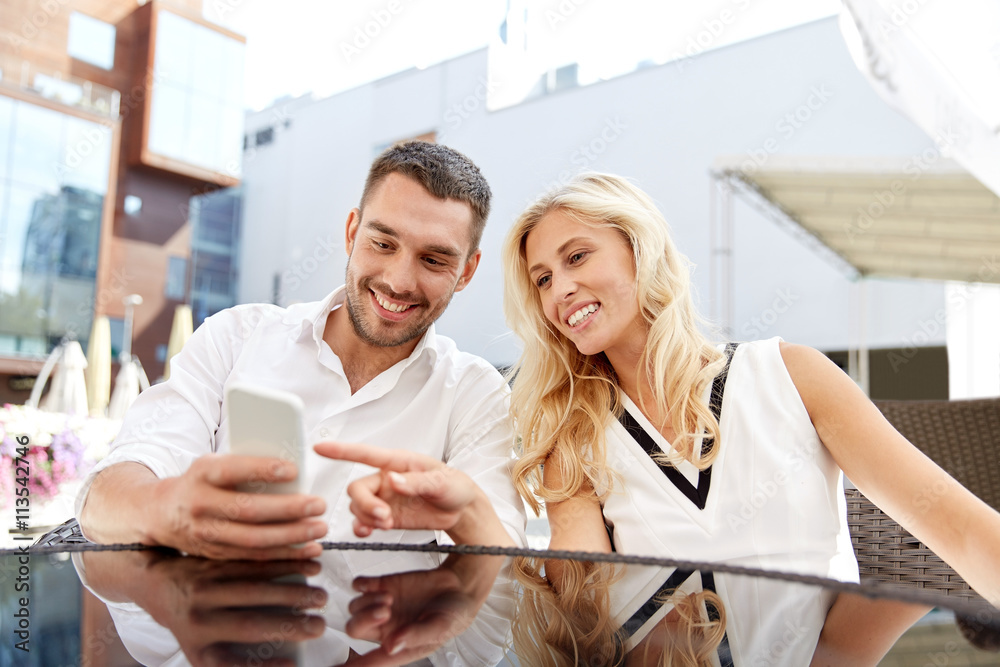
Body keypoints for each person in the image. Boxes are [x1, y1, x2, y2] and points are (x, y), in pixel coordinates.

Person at [346, 171, 1000, 664]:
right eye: (541, 279)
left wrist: (840, 650)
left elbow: (960, 535)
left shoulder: (792, 375)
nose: (559, 290)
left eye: (576, 257)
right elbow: (585, 616)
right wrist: (464, 551)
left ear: (640, 249)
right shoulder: (572, 432)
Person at [76, 141, 526, 560]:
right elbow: (108, 494)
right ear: (352, 233)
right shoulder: (235, 337)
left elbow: (504, 569)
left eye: (434, 260)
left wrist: (465, 517)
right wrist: (168, 511)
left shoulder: (474, 394)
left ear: (466, 272)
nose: (399, 280)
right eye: (383, 243)